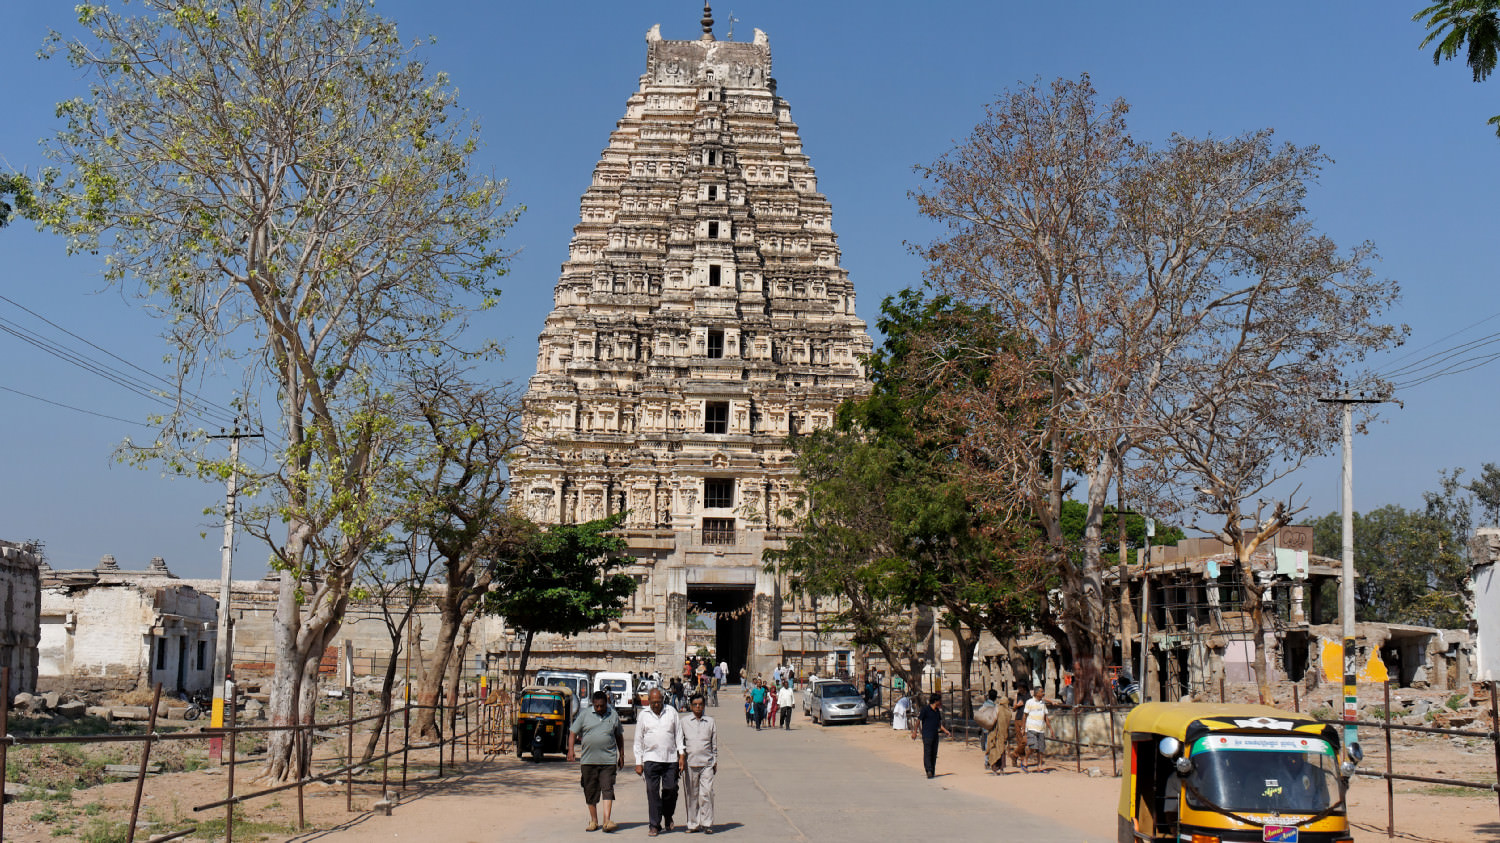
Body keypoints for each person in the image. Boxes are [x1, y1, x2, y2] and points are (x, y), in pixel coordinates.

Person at [568, 690, 626, 833]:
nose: (599, 709)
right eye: (597, 706)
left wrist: (622, 755)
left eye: (602, 706)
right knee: (590, 791)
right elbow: (573, 732)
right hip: (588, 761)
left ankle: (607, 821)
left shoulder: (613, 715)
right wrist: (570, 750)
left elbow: (619, 736)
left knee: (607, 789)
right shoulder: (585, 715)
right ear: (593, 704)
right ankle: (594, 820)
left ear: (607, 703)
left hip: (608, 760)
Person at [634, 688, 684, 837]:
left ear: (663, 700)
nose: (656, 705)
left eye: (659, 702)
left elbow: (678, 735)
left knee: (670, 789)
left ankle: (667, 815)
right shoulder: (643, 715)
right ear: (648, 701)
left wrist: (681, 755)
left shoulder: (671, 712)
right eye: (653, 702)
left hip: (670, 759)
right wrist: (638, 762)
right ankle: (654, 824)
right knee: (652, 792)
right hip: (650, 759)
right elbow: (638, 740)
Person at [680, 693, 718, 834]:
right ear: (690, 706)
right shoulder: (684, 722)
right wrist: (681, 758)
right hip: (690, 763)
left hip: (707, 763)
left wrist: (715, 760)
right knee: (692, 795)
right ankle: (693, 824)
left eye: (700, 704)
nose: (698, 707)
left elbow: (714, 744)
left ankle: (707, 823)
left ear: (704, 705)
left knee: (706, 793)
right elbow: (680, 742)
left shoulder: (710, 722)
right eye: (695, 704)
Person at [913, 693, 951, 778]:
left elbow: (939, 724)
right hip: (927, 735)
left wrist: (945, 731)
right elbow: (918, 721)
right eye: (939, 701)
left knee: (934, 753)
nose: (941, 702)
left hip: (935, 735)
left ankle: (932, 770)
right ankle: (928, 770)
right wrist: (915, 732)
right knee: (927, 753)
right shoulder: (925, 710)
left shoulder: (937, 711)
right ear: (935, 701)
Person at [982, 690, 1013, 773]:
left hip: (996, 733)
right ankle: (1002, 769)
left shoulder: (997, 709)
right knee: (1002, 750)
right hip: (1004, 734)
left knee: (994, 749)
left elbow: (993, 719)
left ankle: (995, 768)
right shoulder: (1009, 712)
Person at [1022, 687, 1050, 771]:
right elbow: (1025, 716)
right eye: (1041, 692)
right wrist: (1023, 728)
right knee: (1032, 747)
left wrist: (1050, 728)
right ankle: (1025, 760)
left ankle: (1039, 766)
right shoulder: (1029, 702)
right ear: (1037, 693)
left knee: (1041, 749)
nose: (1043, 693)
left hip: (1041, 728)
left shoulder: (1043, 703)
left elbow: (1045, 716)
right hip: (1031, 728)